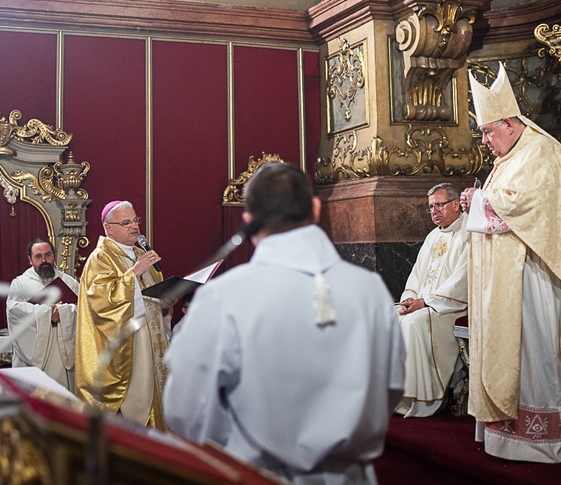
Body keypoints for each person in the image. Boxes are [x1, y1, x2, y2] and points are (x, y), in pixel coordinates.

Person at [163, 162, 405, 484]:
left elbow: (187, 410)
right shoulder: (371, 289)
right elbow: (391, 386)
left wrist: (237, 444)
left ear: (248, 221)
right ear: (316, 210)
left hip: (249, 472)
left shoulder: (223, 297)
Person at [459, 66, 561, 462]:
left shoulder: (541, 151)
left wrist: (480, 200)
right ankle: (506, 431)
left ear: (508, 122)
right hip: (506, 277)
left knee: (534, 351)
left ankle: (544, 439)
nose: (485, 140)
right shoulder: (511, 155)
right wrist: (479, 198)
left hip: (534, 276)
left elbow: (526, 207)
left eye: (488, 131)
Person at [76, 200, 170, 429]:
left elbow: (153, 298)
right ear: (109, 228)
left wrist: (168, 300)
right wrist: (134, 274)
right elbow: (102, 304)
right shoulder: (101, 258)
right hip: (130, 347)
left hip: (152, 342)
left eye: (135, 220)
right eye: (126, 222)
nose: (134, 227)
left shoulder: (140, 253)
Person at [395, 182, 468, 418]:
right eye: (430, 207)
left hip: (450, 307)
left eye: (439, 204)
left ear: (456, 204)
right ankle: (396, 394)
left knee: (413, 323)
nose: (434, 211)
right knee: (392, 316)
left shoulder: (469, 233)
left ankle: (420, 397)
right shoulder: (432, 236)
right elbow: (416, 274)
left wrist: (425, 302)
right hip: (425, 305)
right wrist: (409, 298)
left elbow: (462, 280)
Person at [6, 238, 78, 392]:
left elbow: (84, 309)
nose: (44, 260)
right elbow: (14, 311)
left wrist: (64, 312)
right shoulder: (20, 284)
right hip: (32, 358)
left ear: (54, 256)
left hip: (63, 353)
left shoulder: (69, 282)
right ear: (30, 260)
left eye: (48, 255)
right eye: (38, 257)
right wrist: (46, 313)